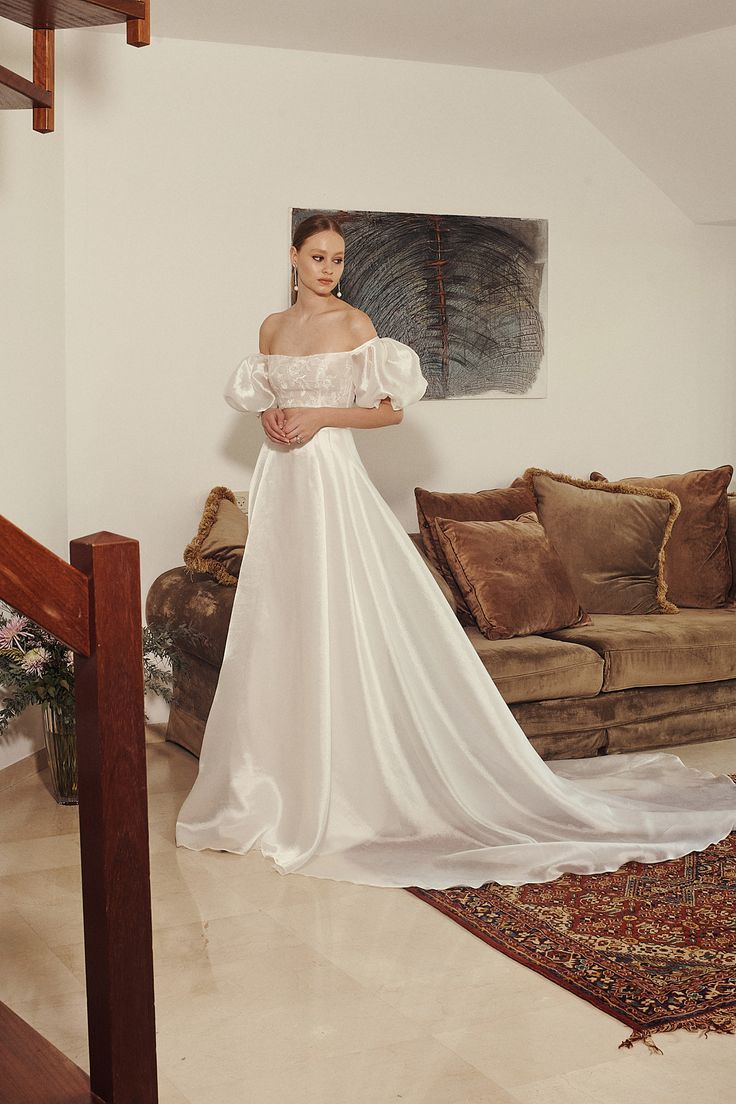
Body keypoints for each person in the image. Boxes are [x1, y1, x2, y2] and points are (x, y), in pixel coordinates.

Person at [175, 213, 736, 890]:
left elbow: (389, 410)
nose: (330, 269)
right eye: (318, 256)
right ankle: (274, 784)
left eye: (339, 259)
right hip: (281, 477)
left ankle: (344, 785)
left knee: (336, 618)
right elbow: (272, 398)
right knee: (280, 625)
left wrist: (321, 415)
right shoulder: (271, 328)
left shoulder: (356, 326)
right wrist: (273, 414)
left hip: (328, 481)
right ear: (293, 257)